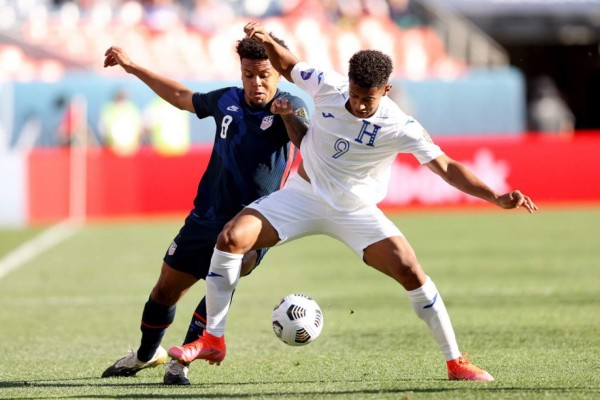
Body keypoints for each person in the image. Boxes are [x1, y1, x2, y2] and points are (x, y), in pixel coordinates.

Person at [167, 21, 538, 382]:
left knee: (410, 269)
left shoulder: (400, 126)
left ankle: (456, 362)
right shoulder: (328, 87)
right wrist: (264, 38)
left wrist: (494, 196)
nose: (359, 105)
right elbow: (289, 64)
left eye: (368, 99)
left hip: (355, 212)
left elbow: (445, 166)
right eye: (356, 95)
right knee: (231, 238)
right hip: (303, 195)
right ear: (349, 84)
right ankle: (214, 339)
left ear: (387, 90)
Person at [100, 34, 310, 385]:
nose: (256, 83)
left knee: (225, 276)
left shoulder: (292, 105)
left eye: (264, 75)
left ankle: (178, 364)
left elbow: (305, 141)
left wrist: (288, 117)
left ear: (279, 72)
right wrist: (133, 67)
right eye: (248, 75)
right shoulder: (226, 99)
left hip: (252, 223)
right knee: (165, 292)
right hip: (205, 217)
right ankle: (146, 354)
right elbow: (182, 97)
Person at [99, 88, 143, 156]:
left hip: (127, 151)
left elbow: (102, 130)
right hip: (117, 150)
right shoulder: (110, 109)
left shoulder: (131, 108)